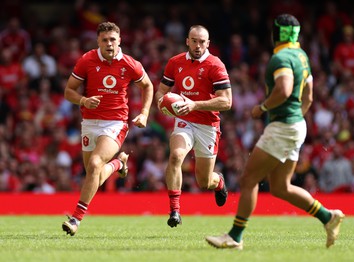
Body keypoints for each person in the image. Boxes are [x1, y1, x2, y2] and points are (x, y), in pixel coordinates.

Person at [206, 14, 344, 250]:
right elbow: (308, 95)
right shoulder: (301, 56)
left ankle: (235, 236)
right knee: (281, 187)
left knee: (249, 179)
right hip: (296, 124)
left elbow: (284, 88)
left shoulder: (280, 57)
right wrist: (295, 116)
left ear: (276, 33)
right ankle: (328, 217)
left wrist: (262, 108)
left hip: (283, 127)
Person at [62, 21, 153, 236]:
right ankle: (118, 163)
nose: (109, 44)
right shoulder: (87, 60)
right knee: (94, 174)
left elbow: (147, 85)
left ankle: (76, 218)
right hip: (89, 122)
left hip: (115, 123)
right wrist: (83, 100)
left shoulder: (129, 63)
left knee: (94, 163)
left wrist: (145, 112)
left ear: (119, 40)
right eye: (105, 40)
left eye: (113, 39)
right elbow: (68, 91)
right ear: (98, 42)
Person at [155, 25, 232, 228]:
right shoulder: (175, 62)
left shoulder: (215, 65)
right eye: (194, 41)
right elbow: (161, 91)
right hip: (185, 120)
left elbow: (226, 102)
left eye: (202, 42)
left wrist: (195, 104)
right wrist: (162, 103)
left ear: (208, 43)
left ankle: (219, 182)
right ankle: (175, 211)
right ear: (187, 41)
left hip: (208, 125)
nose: (198, 45)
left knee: (204, 182)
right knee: (175, 156)